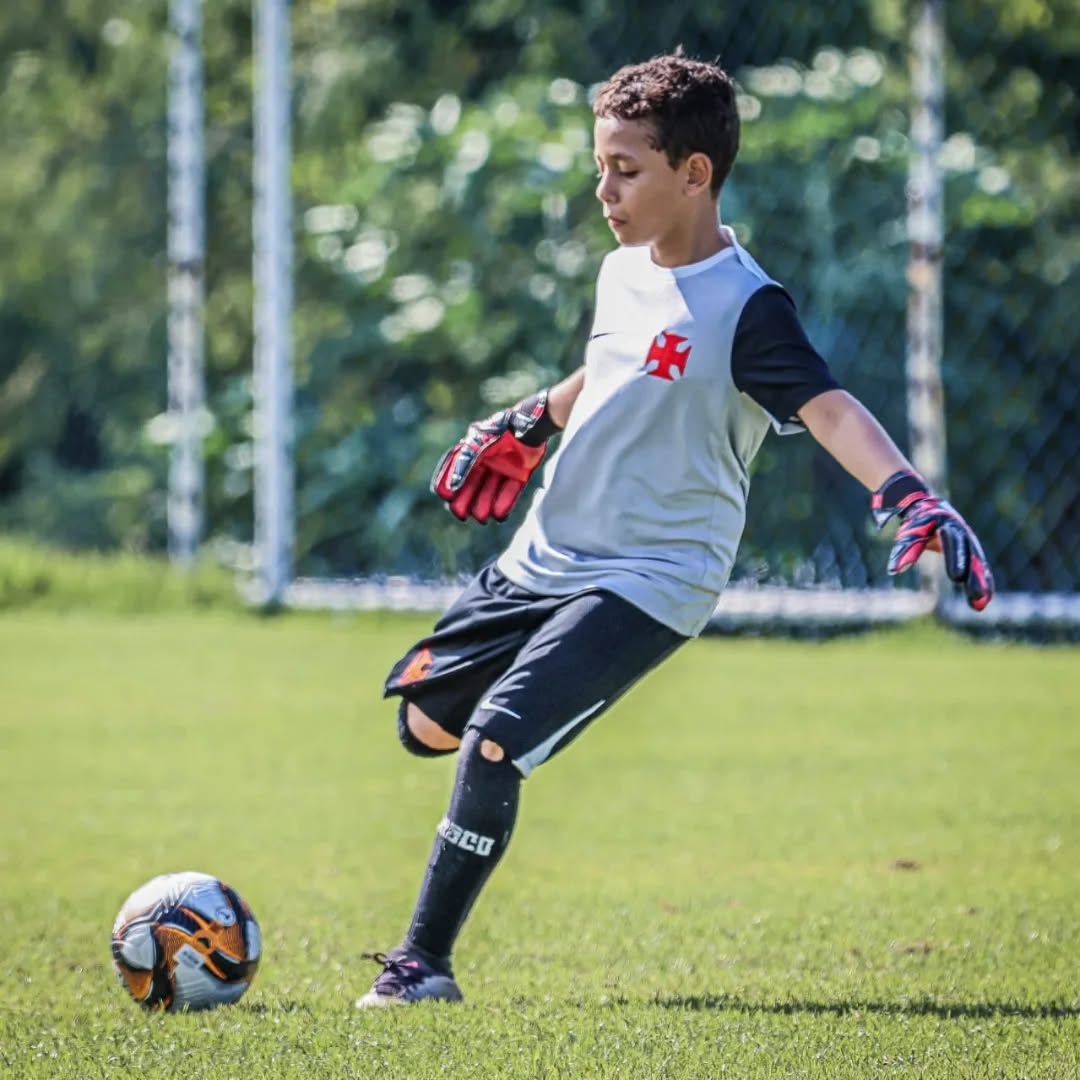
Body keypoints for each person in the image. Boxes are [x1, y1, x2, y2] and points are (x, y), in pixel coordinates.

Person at [355, 49, 994, 1008]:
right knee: (423, 727)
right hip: (543, 559)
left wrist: (905, 490)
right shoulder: (621, 272)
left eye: (626, 169)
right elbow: (613, 365)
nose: (602, 189)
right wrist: (533, 418)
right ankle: (509, 733)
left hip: (650, 578)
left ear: (695, 174)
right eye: (599, 165)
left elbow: (827, 407)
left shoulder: (747, 306)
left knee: (494, 741)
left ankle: (421, 967)